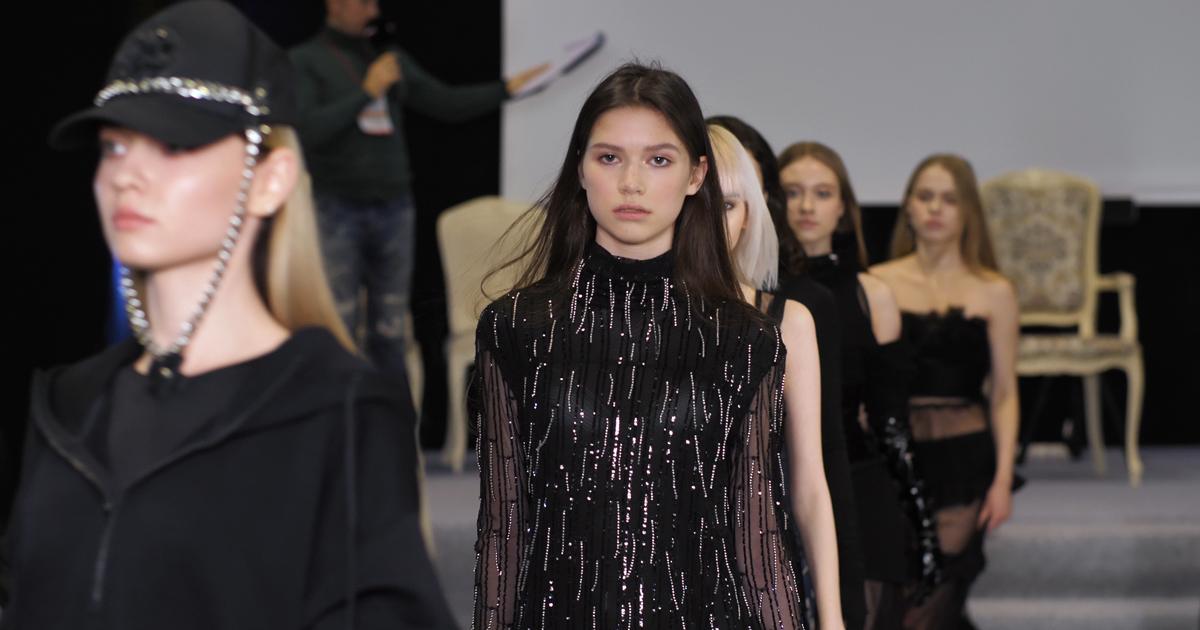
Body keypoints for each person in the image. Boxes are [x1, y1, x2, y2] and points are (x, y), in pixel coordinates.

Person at [3, 3, 456, 628]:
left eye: (172, 143)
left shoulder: (338, 413)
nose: (127, 175)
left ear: (271, 180)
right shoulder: (66, 408)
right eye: (113, 145)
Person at [471, 63, 808, 629]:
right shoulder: (516, 329)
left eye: (658, 159)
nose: (632, 182)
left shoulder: (746, 340)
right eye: (609, 157)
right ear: (580, 168)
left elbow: (759, 536)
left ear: (697, 175)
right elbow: (504, 527)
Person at [290, 0, 548, 382]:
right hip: (336, 206)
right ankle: (340, 425)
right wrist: (366, 92)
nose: (373, 11)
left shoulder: (386, 57)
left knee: (391, 324)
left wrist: (505, 89)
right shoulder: (305, 59)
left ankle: (390, 427)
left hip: (394, 206)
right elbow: (306, 130)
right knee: (337, 321)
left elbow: (445, 102)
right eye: (363, 2)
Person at [708, 115, 867, 630]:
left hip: (763, 577)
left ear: (752, 215)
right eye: (700, 203)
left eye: (729, 204)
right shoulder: (631, 322)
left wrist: (834, 615)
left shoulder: (791, 321)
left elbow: (812, 484)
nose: (711, 220)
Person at [777, 142, 942, 629]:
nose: (806, 207)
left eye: (822, 193)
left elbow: (891, 421)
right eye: (792, 192)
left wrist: (922, 525)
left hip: (858, 479)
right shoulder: (750, 293)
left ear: (844, 207)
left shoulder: (874, 295)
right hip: (775, 487)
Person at [870, 154, 1018, 630]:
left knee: (933, 599)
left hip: (964, 461)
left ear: (968, 211)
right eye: (925, 195)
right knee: (896, 595)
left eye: (950, 199)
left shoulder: (994, 291)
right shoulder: (879, 283)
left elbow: (1005, 391)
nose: (935, 208)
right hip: (894, 458)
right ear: (908, 206)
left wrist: (1001, 479)